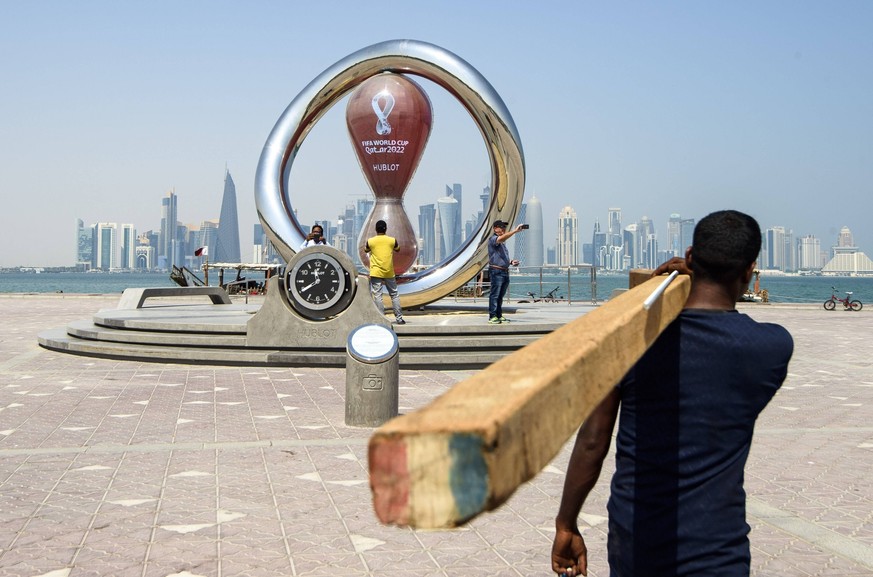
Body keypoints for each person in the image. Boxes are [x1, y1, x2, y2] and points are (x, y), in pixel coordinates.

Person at [551, 210, 793, 577]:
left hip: (637, 538)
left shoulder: (628, 342)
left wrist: (566, 525)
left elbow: (592, 441)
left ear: (691, 258)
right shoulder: (772, 347)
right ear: (749, 271)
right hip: (717, 546)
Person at [365, 219, 405, 325]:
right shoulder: (392, 240)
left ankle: (381, 319)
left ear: (375, 229)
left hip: (376, 272)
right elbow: (398, 249)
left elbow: (366, 250)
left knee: (378, 295)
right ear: (386, 229)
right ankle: (399, 318)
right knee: (394, 294)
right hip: (388, 271)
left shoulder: (371, 241)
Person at [487, 220, 526, 324]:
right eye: (501, 227)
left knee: (500, 295)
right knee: (495, 295)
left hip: (504, 271)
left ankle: (499, 315)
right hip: (496, 271)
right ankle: (492, 316)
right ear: (495, 228)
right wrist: (515, 231)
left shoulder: (502, 244)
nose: (503, 229)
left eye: (504, 227)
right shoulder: (493, 239)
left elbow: (500, 257)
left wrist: (511, 262)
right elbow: (500, 239)